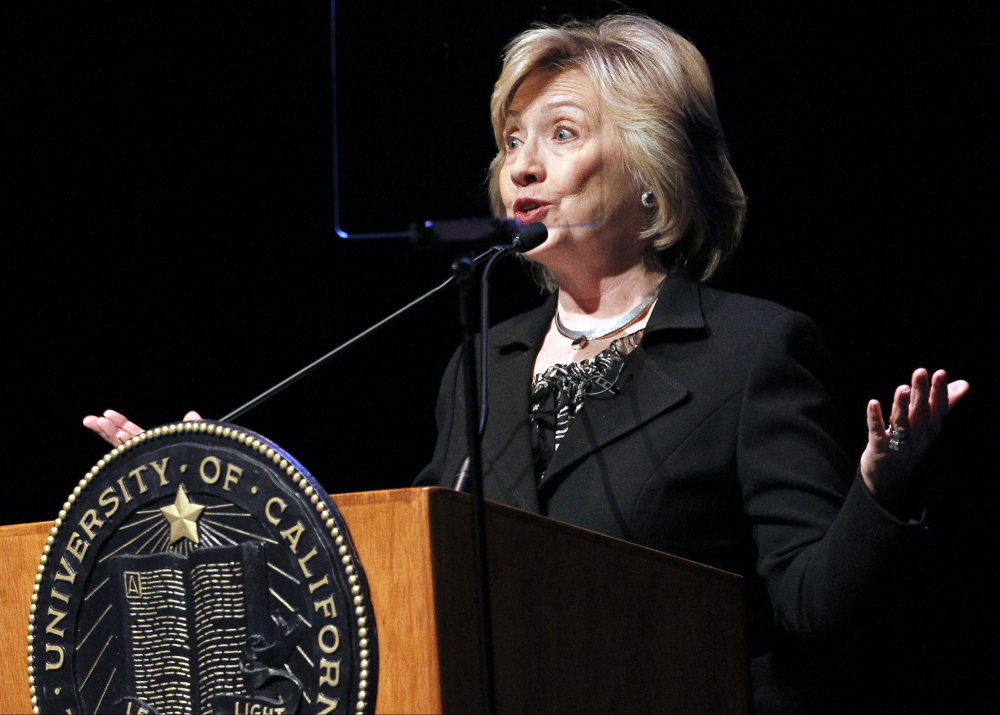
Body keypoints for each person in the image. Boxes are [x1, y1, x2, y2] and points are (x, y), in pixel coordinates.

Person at [87, 13, 969, 712]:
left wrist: (882, 489)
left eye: (562, 133)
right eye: (512, 141)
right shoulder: (487, 360)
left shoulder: (752, 352)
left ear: (650, 173)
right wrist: (234, 489)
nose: (523, 168)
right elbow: (411, 572)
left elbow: (813, 608)